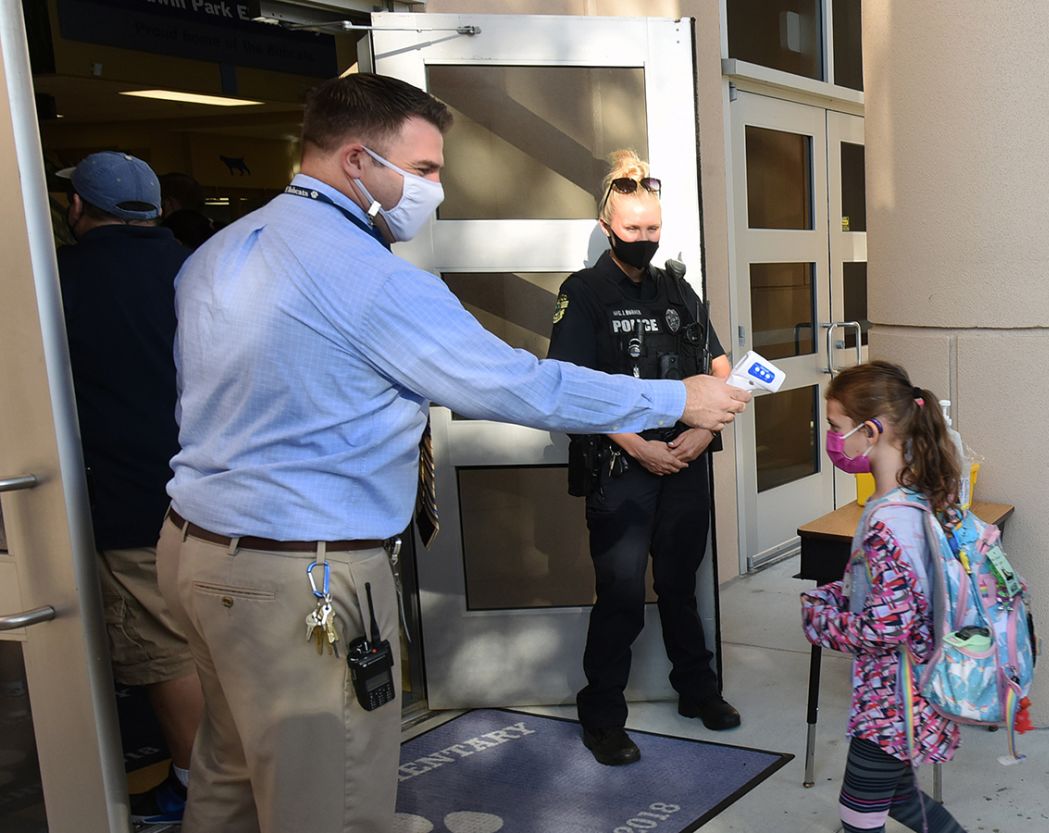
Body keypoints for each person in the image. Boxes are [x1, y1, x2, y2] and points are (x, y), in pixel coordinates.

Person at [157, 74, 749, 833]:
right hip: (300, 573)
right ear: (356, 161)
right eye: (427, 169)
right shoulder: (368, 278)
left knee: (231, 779)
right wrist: (677, 402)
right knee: (329, 807)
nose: (435, 191)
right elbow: (519, 385)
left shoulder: (222, 247)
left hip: (201, 551)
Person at [548, 150, 741, 766]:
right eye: (632, 230)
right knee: (623, 596)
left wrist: (702, 436)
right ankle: (603, 716)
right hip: (622, 467)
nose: (644, 240)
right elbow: (570, 383)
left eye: (652, 229)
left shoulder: (677, 287)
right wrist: (638, 445)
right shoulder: (583, 293)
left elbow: (715, 365)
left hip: (686, 460)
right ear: (607, 229)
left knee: (682, 586)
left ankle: (698, 690)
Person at [55, 151, 202, 826]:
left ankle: (196, 788)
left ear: (77, 208)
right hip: (223, 497)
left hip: (132, 499)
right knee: (222, 643)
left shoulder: (60, 282)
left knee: (166, 650)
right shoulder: (200, 268)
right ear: (157, 209)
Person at [801, 361, 968, 833]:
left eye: (836, 426)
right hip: (910, 689)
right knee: (898, 798)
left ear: (870, 431)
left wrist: (819, 619)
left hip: (892, 700)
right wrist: (839, 594)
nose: (832, 438)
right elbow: (887, 589)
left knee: (858, 815)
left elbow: (884, 627)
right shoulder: (919, 497)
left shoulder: (888, 521)